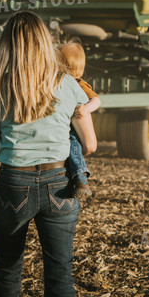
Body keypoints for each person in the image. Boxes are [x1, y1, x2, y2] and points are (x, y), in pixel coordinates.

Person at [0, 11, 96, 297]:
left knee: (8, 263)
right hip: (60, 182)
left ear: (7, 44)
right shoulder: (66, 83)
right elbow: (90, 145)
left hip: (14, 183)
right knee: (60, 274)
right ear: (45, 41)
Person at [56, 42, 101, 197]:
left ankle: (81, 177)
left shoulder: (80, 85)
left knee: (73, 145)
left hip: (73, 126)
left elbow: (96, 100)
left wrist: (85, 108)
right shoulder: (59, 83)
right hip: (65, 124)